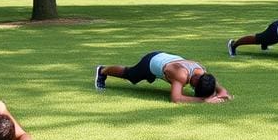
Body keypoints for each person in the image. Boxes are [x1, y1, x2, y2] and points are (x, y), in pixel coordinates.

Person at [94, 52, 231, 104]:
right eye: (195, 88)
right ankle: (102, 70)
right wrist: (204, 100)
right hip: (150, 62)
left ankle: (103, 70)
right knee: (129, 75)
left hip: (165, 57)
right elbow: (176, 99)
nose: (193, 88)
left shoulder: (203, 73)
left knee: (130, 75)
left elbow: (221, 90)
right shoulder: (181, 75)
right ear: (195, 82)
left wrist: (223, 95)